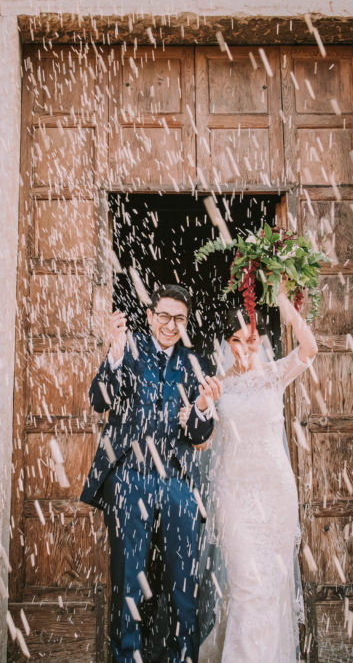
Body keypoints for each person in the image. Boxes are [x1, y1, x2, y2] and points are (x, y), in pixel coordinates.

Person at [81, 284, 223, 663]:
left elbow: (199, 435)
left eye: (179, 318)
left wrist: (202, 408)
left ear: (186, 322)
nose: (171, 325)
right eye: (164, 316)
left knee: (183, 586)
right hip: (129, 478)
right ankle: (127, 657)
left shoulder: (195, 364)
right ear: (150, 316)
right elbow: (99, 401)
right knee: (128, 582)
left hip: (177, 483)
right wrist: (113, 355)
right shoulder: (127, 349)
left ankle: (182, 657)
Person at [197, 284, 318, 663]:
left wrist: (284, 302)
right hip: (235, 494)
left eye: (250, 339)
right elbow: (201, 443)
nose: (243, 348)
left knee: (271, 587)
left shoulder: (274, 375)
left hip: (275, 492)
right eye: (235, 340)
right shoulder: (219, 386)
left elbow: (309, 349)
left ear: (261, 339)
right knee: (247, 584)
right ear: (225, 343)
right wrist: (204, 404)